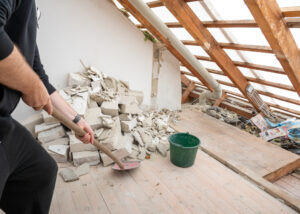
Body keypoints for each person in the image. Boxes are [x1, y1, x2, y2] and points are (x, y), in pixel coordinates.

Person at [0, 0, 94, 213]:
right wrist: (29, 84)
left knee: (40, 173)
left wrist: (76, 120)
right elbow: (33, 82)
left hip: (3, 122)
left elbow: (39, 77)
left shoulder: (30, 11)